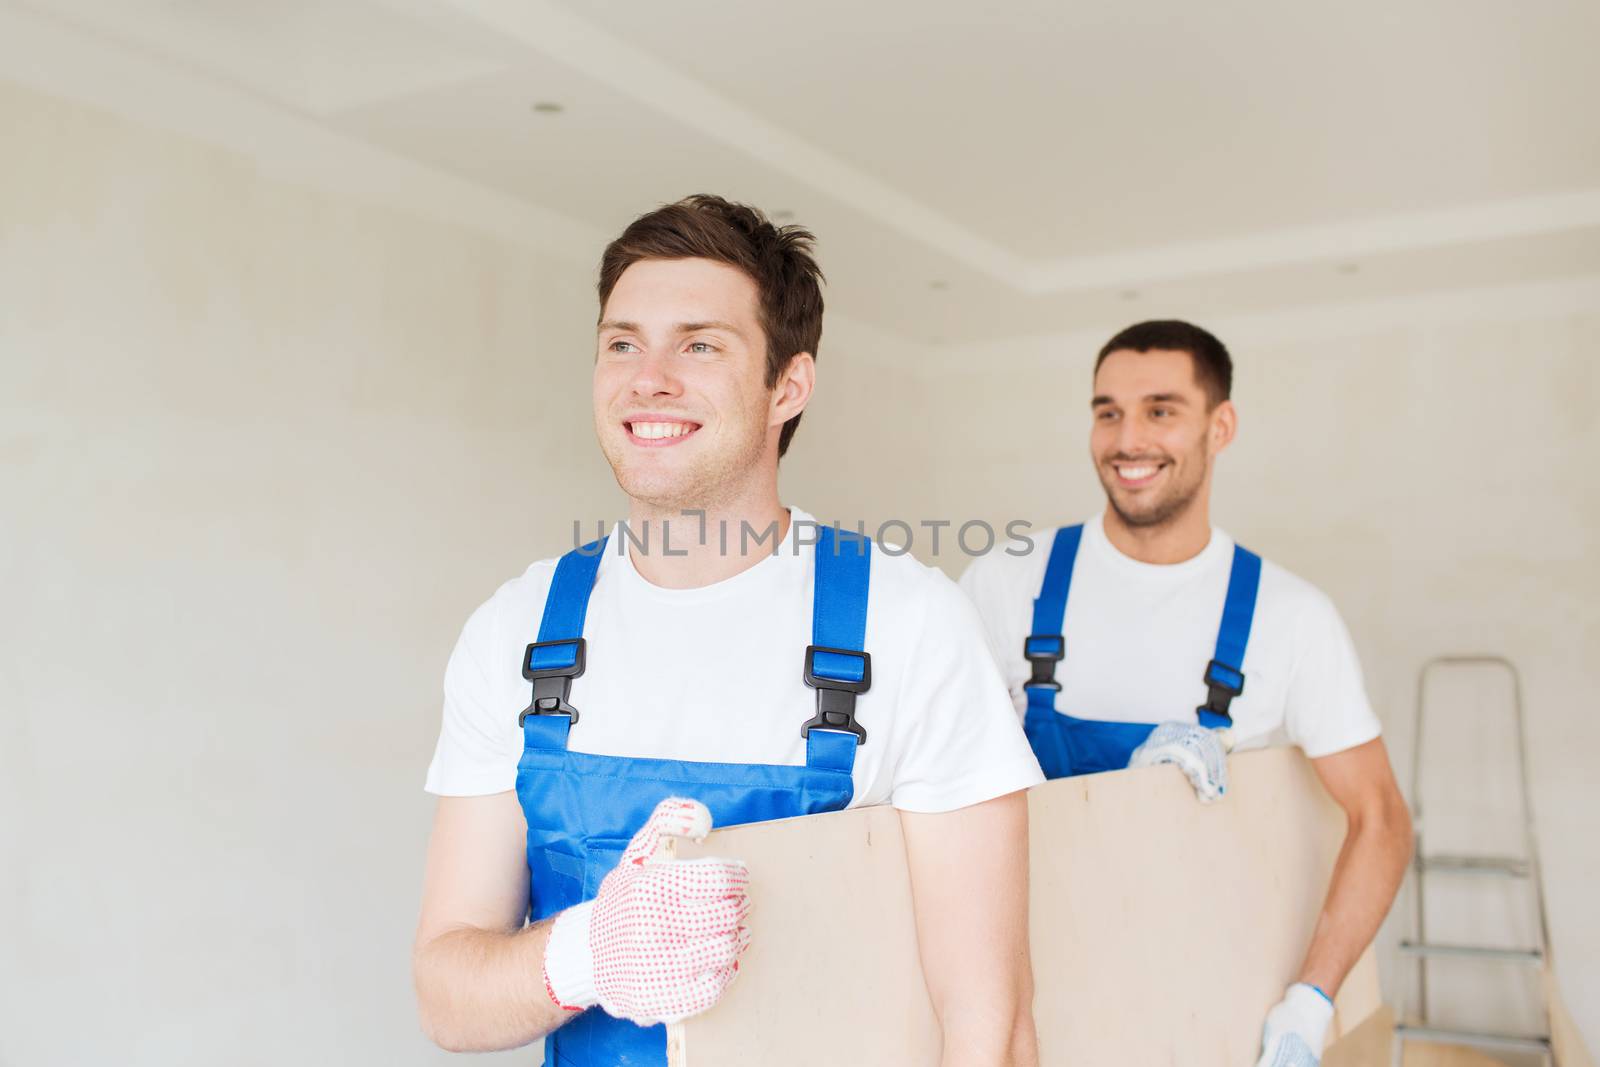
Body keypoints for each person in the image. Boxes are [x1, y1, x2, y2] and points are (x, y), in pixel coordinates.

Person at [413, 195, 1044, 1067]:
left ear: (788, 385)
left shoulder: (909, 626)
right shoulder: (517, 635)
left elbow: (991, 1026)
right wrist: (587, 952)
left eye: (700, 344)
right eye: (622, 342)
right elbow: (449, 995)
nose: (649, 377)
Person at [959, 320, 1412, 1067]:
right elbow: (942, 782)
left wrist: (1310, 1000)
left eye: (1161, 409)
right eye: (1107, 411)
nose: (1127, 438)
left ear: (1220, 425)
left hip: (1206, 1006)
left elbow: (1382, 816)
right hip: (1036, 999)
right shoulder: (1010, 580)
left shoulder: (1290, 617)